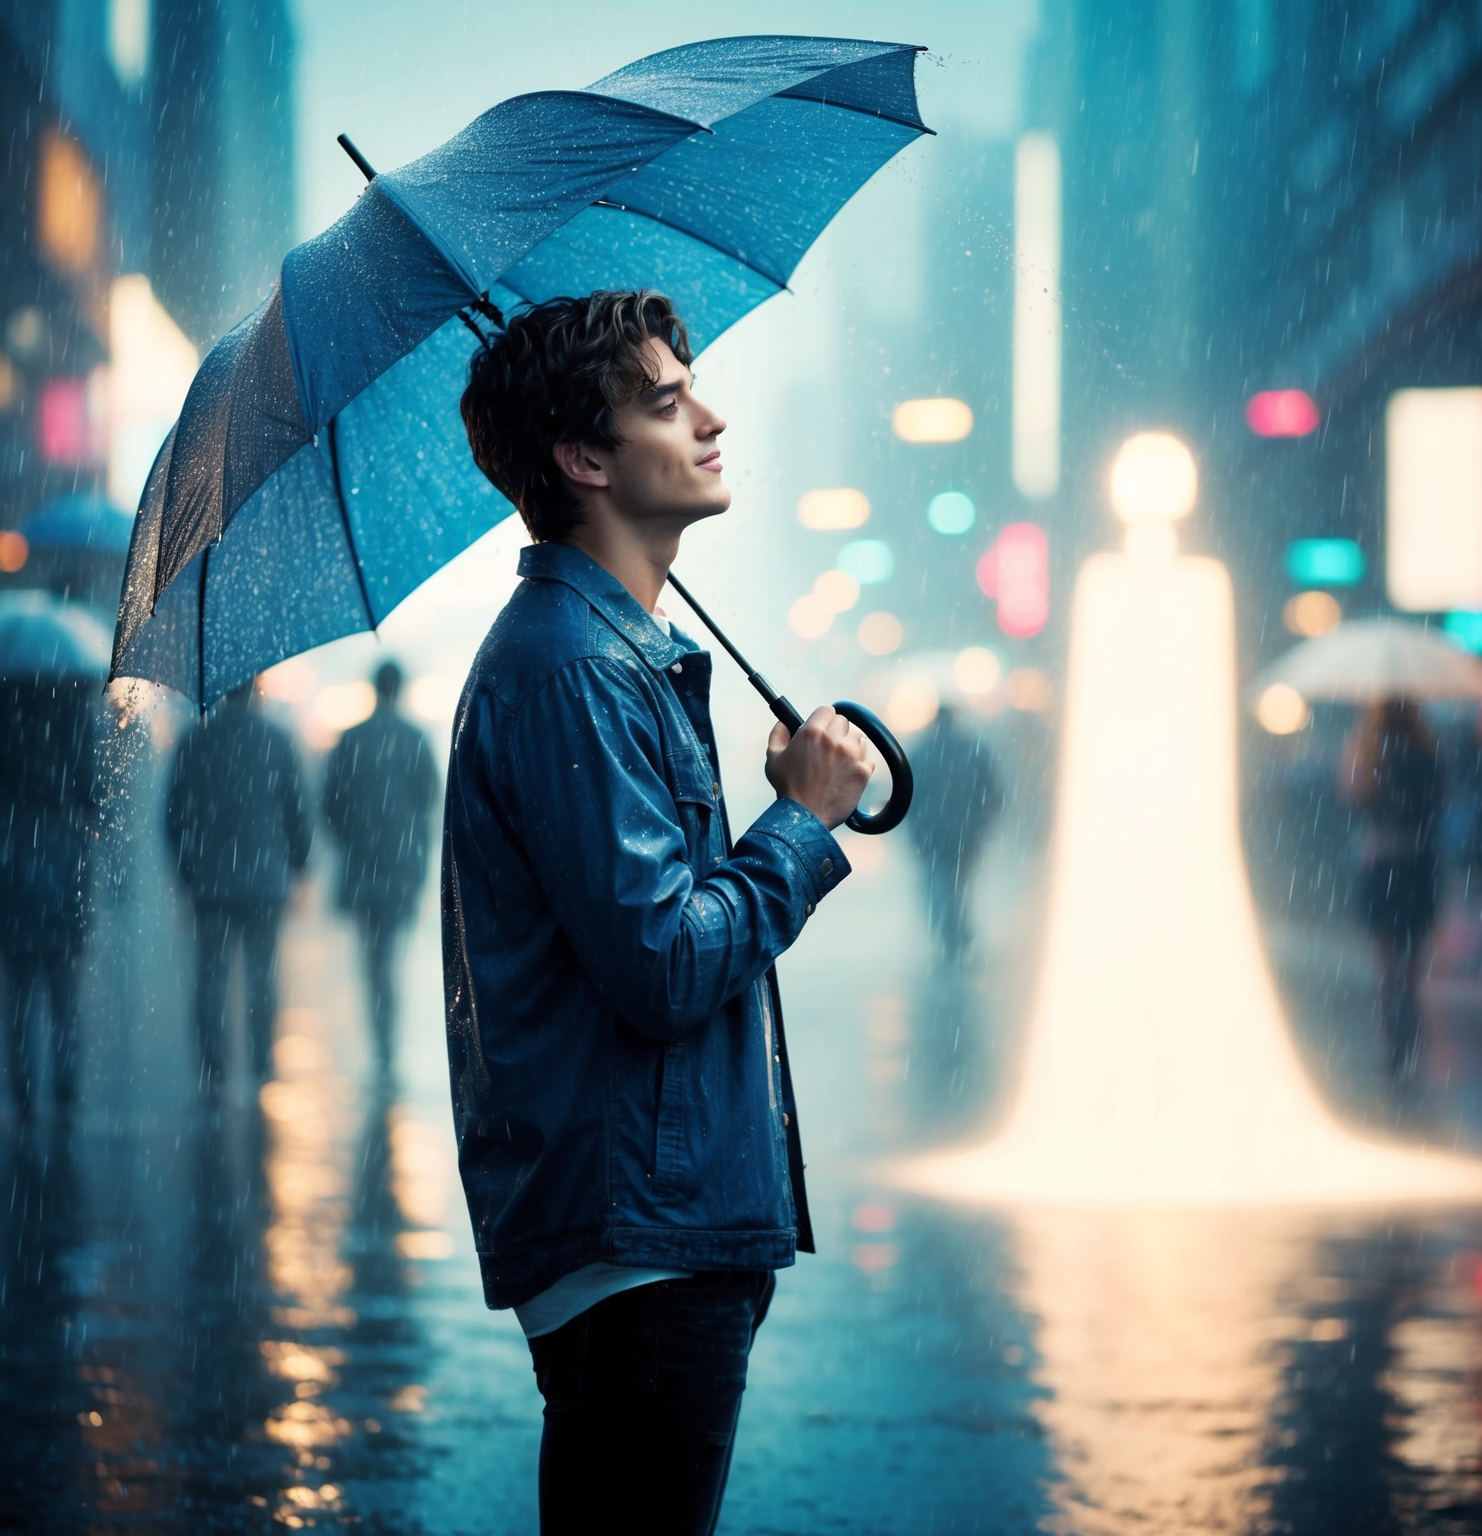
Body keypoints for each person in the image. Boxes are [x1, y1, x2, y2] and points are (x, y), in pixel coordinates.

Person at [448, 291, 873, 1534]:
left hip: (657, 1232)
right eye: (664, 401)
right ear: (583, 460)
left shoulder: (610, 653)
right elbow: (667, 968)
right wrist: (798, 823)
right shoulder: (573, 669)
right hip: (641, 1245)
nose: (711, 415)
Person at [165, 680, 311, 1093]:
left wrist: (186, 872)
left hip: (210, 882)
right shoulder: (277, 741)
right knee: (262, 976)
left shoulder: (196, 739)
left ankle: (213, 1067)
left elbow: (173, 814)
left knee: (210, 976)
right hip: (266, 880)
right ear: (256, 691)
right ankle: (261, 1061)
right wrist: (299, 865)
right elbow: (297, 810)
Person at [322, 661, 439, 1079]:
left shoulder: (350, 740)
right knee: (390, 956)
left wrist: (354, 840)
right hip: (400, 869)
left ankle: (381, 1038)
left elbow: (330, 806)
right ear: (400, 688)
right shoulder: (415, 740)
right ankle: (388, 1045)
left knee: (372, 958)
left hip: (362, 868)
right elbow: (429, 803)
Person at [0, 677, 94, 1118]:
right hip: (62, 860)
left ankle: (21, 1087)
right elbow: (91, 791)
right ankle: (64, 1087)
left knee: (20, 991)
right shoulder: (73, 713)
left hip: (15, 858)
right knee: (62, 991)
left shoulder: (7, 713)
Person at [1338, 696, 1442, 1083]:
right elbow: (1438, 802)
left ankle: (1390, 1042)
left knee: (1387, 969)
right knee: (1411, 966)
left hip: (1380, 864)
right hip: (1416, 865)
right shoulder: (1424, 752)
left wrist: (1359, 755)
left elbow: (1350, 797)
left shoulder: (1368, 753)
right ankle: (1408, 1039)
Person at [904, 704, 1001, 956]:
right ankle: (958, 935)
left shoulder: (922, 750)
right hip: (964, 834)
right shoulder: (973, 748)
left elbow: (908, 798)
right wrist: (980, 826)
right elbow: (992, 792)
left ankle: (947, 934)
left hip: (932, 835)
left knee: (937, 886)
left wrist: (916, 833)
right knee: (958, 887)